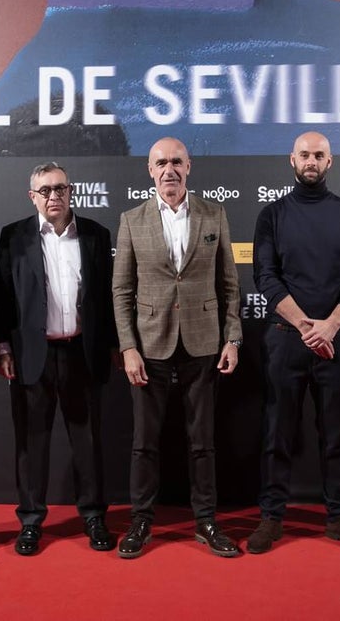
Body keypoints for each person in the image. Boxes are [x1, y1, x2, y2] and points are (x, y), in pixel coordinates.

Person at [247, 131, 340, 554]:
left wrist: (331, 326)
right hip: (287, 341)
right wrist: (307, 327)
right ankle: (272, 518)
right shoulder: (272, 215)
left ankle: (339, 518)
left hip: (338, 341)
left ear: (329, 161)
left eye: (318, 155)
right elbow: (265, 276)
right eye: (304, 154)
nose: (311, 161)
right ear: (292, 160)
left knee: (337, 435)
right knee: (277, 433)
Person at [112, 137, 243, 559]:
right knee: (144, 443)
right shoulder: (132, 220)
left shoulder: (214, 214)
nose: (169, 170)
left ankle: (206, 520)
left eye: (176, 162)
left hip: (204, 344)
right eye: (161, 163)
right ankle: (141, 522)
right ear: (150, 171)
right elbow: (121, 291)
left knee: (202, 442)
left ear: (189, 167)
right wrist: (128, 347)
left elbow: (229, 284)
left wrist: (232, 337)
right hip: (149, 346)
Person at [0, 162, 118, 556]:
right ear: (33, 197)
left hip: (83, 352)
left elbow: (109, 299)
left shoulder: (96, 235)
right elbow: (1, 298)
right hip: (33, 355)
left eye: (59, 188)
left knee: (89, 441)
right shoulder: (14, 237)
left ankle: (94, 517)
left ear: (71, 191)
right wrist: (1, 347)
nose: (53, 196)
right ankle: (30, 521)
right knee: (31, 443)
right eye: (44, 190)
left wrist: (115, 346)